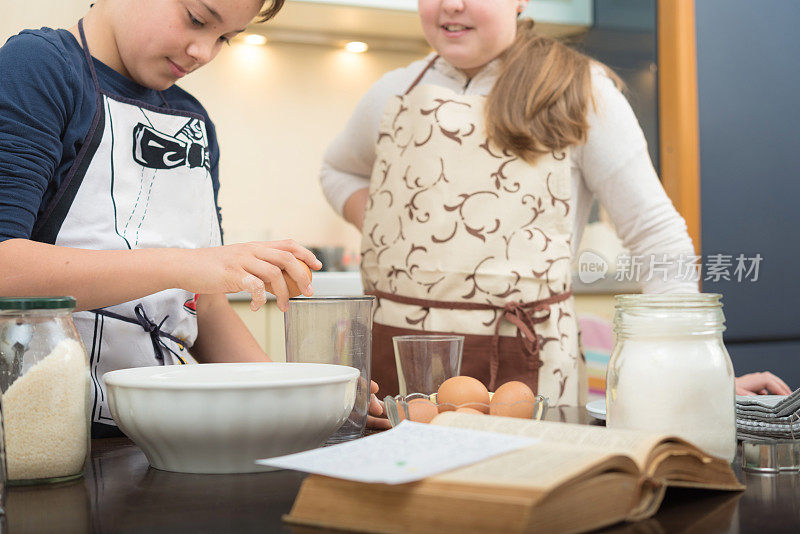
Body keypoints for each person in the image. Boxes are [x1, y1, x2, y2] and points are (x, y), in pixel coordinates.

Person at [320, 0, 792, 405]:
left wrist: (695, 375)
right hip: (397, 370)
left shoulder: (576, 90)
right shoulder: (391, 94)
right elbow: (337, 171)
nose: (451, 4)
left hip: (529, 369)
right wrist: (404, 232)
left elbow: (657, 235)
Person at [0, 0, 386, 437]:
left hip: (161, 433)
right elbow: (5, 268)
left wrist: (300, 396)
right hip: (48, 436)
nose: (204, 52)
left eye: (224, 38)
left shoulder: (193, 121)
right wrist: (187, 264)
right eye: (197, 19)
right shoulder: (39, 68)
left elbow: (207, 308)